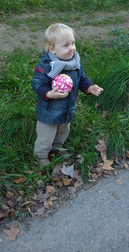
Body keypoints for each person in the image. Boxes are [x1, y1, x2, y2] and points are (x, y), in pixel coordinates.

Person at [32, 23, 103, 166]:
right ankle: (41, 155)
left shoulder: (74, 62)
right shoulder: (47, 65)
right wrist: (49, 93)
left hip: (67, 108)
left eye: (72, 43)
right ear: (52, 49)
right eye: (65, 46)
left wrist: (89, 87)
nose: (71, 48)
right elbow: (38, 83)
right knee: (46, 135)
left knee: (63, 131)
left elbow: (81, 77)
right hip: (49, 111)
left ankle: (57, 147)